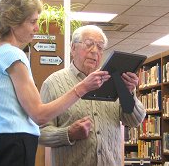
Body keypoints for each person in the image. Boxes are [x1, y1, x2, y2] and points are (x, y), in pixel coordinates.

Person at [0, 0, 109, 166]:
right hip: (15, 145)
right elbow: (39, 115)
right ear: (14, 22)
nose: (36, 28)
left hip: (7, 143)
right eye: (32, 21)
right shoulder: (12, 56)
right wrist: (83, 88)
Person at [39, 25, 146, 166]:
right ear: (73, 48)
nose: (95, 51)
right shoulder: (52, 83)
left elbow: (135, 121)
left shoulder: (112, 80)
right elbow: (40, 133)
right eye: (89, 44)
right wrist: (69, 133)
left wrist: (128, 93)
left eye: (100, 47)